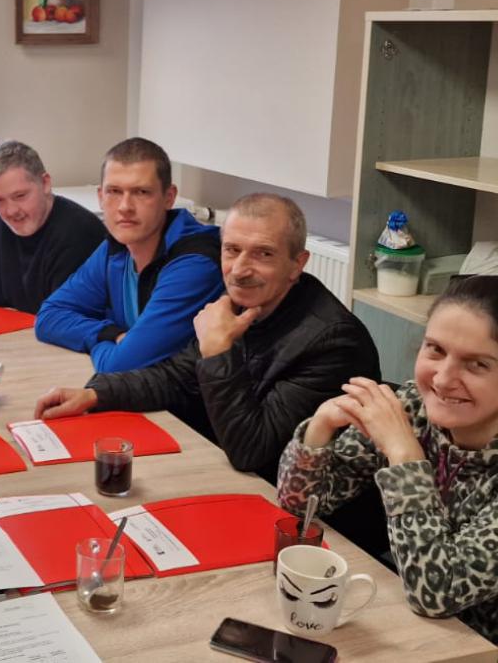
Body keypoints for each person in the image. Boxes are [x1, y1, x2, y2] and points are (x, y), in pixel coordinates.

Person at [34, 194, 381, 484]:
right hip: (226, 474)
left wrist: (218, 352)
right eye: (232, 250)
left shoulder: (332, 343)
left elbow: (253, 452)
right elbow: (176, 377)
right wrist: (96, 394)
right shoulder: (241, 305)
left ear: (296, 264)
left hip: (304, 517)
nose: (240, 270)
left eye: (263, 253)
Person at [278, 275, 498, 644]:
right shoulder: (413, 406)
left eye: (477, 364)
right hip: (405, 621)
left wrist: (404, 455)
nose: (444, 379)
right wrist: (320, 427)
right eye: (435, 350)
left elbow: (437, 593)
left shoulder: (406, 426)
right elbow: (301, 506)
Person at [35, 137, 223, 372]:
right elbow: (48, 318)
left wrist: (101, 343)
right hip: (135, 388)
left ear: (169, 197)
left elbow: (119, 365)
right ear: (100, 197)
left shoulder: (195, 264)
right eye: (114, 191)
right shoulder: (116, 247)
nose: (125, 206)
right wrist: (110, 334)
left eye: (141, 192)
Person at [0, 140, 106, 314]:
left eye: (20, 196)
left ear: (45, 183)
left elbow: (66, 317)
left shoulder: (80, 233)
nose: (10, 211)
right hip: (17, 328)